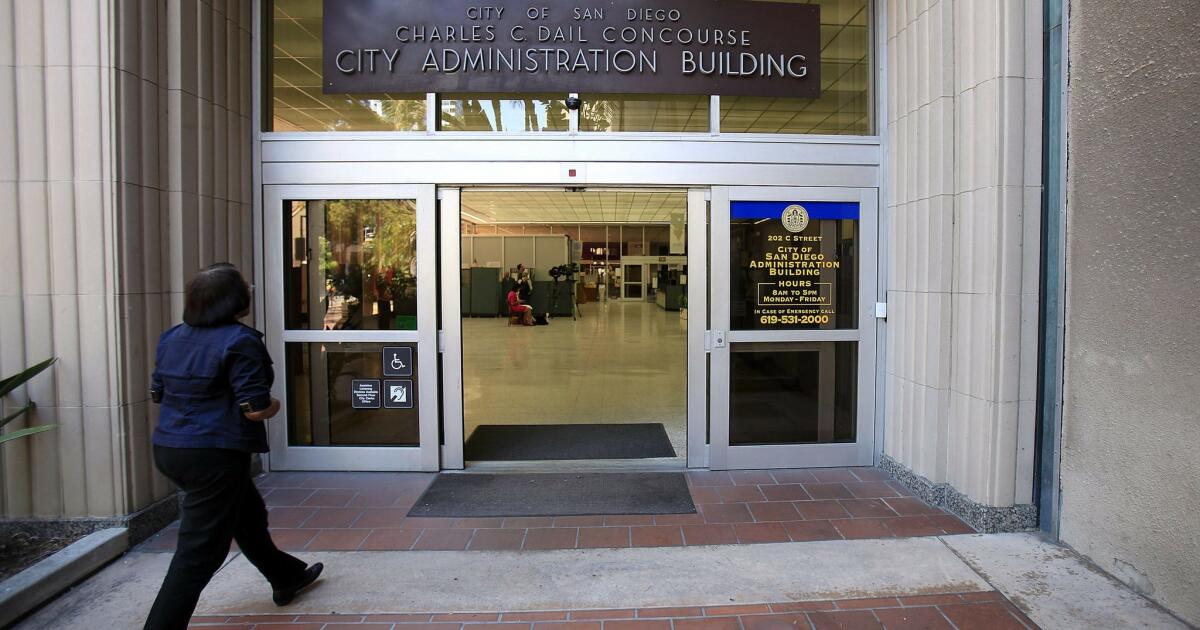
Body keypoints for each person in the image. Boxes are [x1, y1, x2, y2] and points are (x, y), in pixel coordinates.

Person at [145, 263, 322, 630]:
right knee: (200, 553)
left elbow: (157, 391)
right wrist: (276, 406)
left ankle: (285, 576)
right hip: (213, 455)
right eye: (245, 288)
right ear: (235, 301)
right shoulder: (239, 342)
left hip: (170, 447)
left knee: (247, 515)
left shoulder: (172, 337)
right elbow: (255, 409)